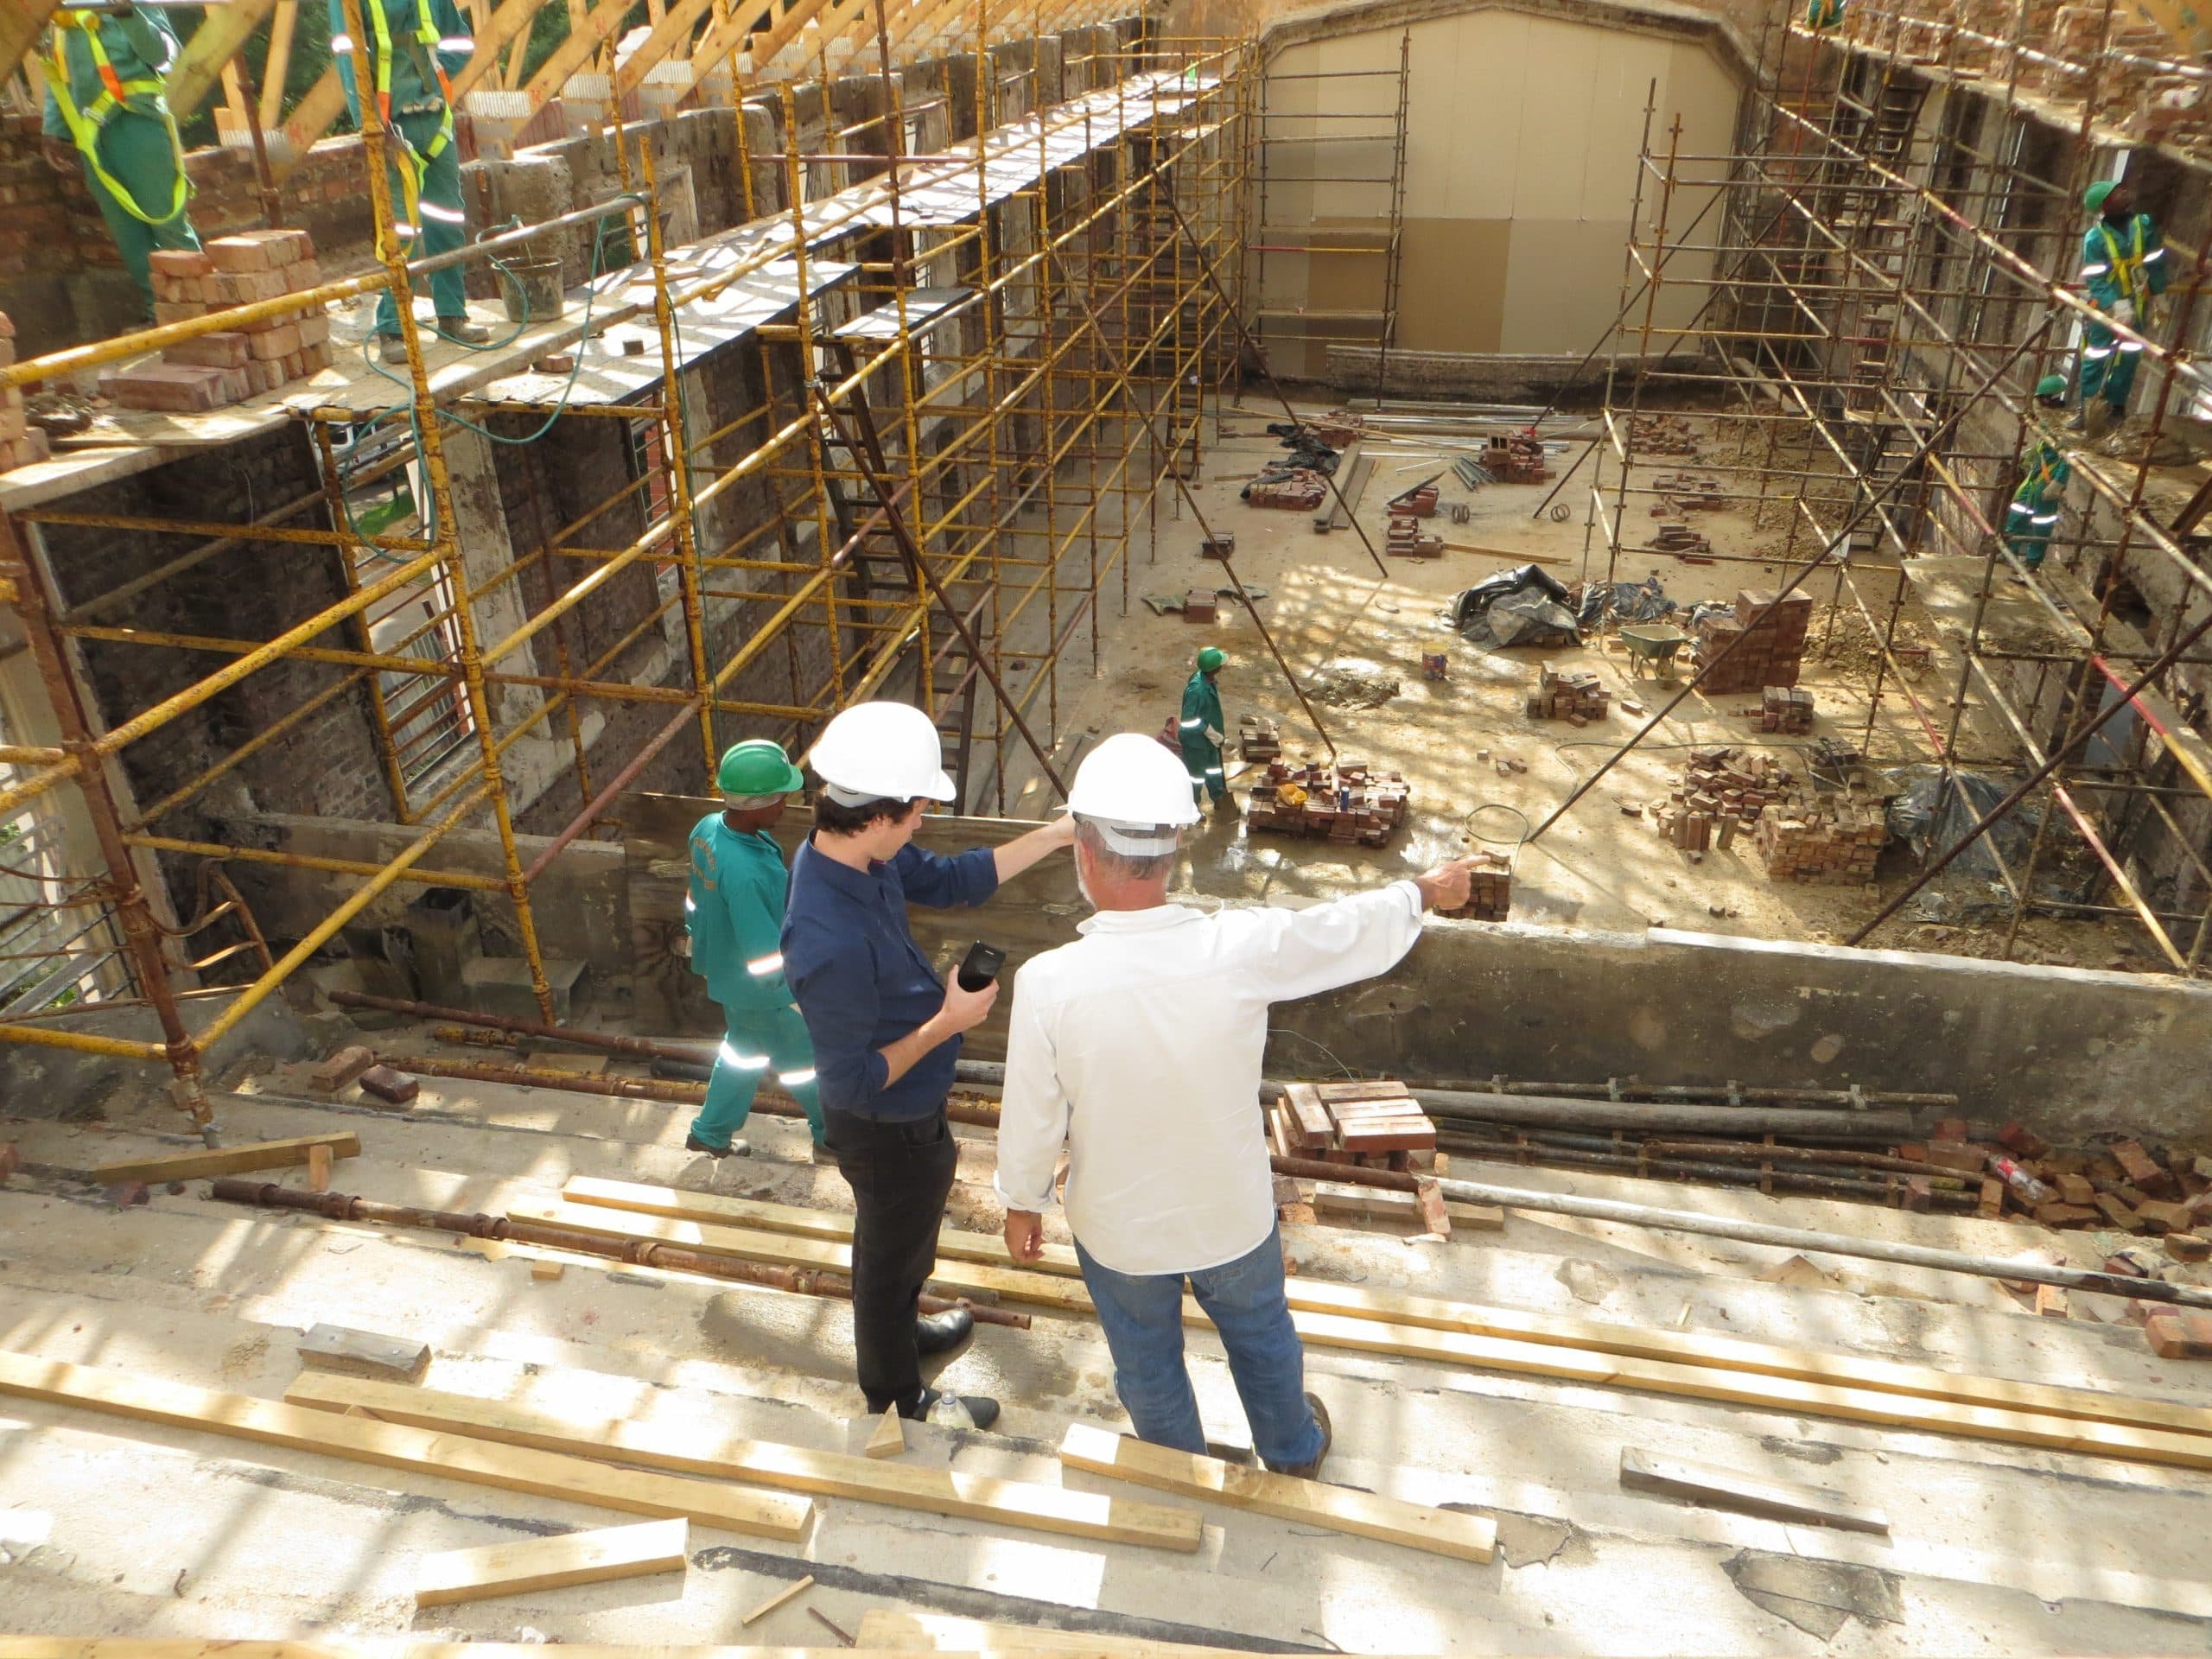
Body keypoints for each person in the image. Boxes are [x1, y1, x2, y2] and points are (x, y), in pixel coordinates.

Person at [994, 732, 1475, 1478]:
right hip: (1230, 1212)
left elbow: (1031, 1115)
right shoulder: (1238, 948)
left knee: (1145, 1362)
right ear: (1177, 846)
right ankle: (1291, 1452)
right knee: (1261, 1336)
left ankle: (1177, 1471)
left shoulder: (1051, 982)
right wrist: (1423, 889)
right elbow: (1341, 931)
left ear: (1083, 851)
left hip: (1119, 1227)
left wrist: (1021, 1201)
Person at [782, 700, 1075, 1427]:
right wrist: (948, 1023)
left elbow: (951, 880)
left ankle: (903, 1332)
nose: (922, 825)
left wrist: (1059, 835)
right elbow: (846, 1081)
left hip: (912, 1111)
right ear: (877, 814)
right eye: (916, 813)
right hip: (882, 1121)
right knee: (887, 1255)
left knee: (903, 1242)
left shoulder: (856, 850)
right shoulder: (828, 940)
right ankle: (897, 1395)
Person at [683, 739, 824, 1161]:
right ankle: (835, 1137)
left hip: (729, 977)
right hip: (768, 992)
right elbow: (764, 953)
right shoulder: (747, 873)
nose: (785, 805)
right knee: (812, 1065)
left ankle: (710, 1132)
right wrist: (794, 993)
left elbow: (695, 899)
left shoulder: (708, 829)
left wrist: (698, 939)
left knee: (742, 1054)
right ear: (756, 803)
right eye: (780, 798)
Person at [330, 0, 492, 362]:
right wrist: (369, 124)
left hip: (435, 118)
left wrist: (438, 75)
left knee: (447, 219)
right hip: (390, 125)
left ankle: (452, 314)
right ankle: (392, 326)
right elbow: (348, 58)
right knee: (398, 230)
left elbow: (460, 42)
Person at [38, 4, 200, 323]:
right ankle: (160, 314)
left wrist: (130, 14)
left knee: (165, 218)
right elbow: (59, 72)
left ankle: (201, 305)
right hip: (93, 134)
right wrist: (54, 130)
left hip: (137, 122)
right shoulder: (64, 13)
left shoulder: (137, 4)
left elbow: (162, 56)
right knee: (126, 231)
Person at [2077, 177, 2168, 436]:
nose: (2124, 191)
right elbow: (2095, 277)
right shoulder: (2095, 239)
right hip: (2107, 308)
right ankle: (2088, 408)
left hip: (2137, 304)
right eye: (2116, 192)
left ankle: (2116, 408)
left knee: (2129, 355)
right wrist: (2115, 303)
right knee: (2096, 357)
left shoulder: (2144, 225)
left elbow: (2155, 262)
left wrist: (2160, 294)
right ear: (2105, 204)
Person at [2005, 375, 2072, 577]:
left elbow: (2068, 456)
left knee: (2041, 522)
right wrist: (2032, 454)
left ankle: (2033, 561)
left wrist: (2058, 483)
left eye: (2041, 400)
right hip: (2036, 474)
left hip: (2049, 477)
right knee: (2018, 508)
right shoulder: (2047, 420)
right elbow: (2044, 445)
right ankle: (2010, 551)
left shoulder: (2063, 425)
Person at [1178, 646, 1230, 812]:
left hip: (1209, 741)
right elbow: (1188, 720)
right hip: (1195, 744)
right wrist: (1208, 730)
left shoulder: (1208, 680)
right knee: (1196, 777)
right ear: (1215, 669)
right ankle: (1193, 808)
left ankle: (1219, 797)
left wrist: (1214, 735)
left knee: (1214, 770)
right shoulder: (1197, 689)